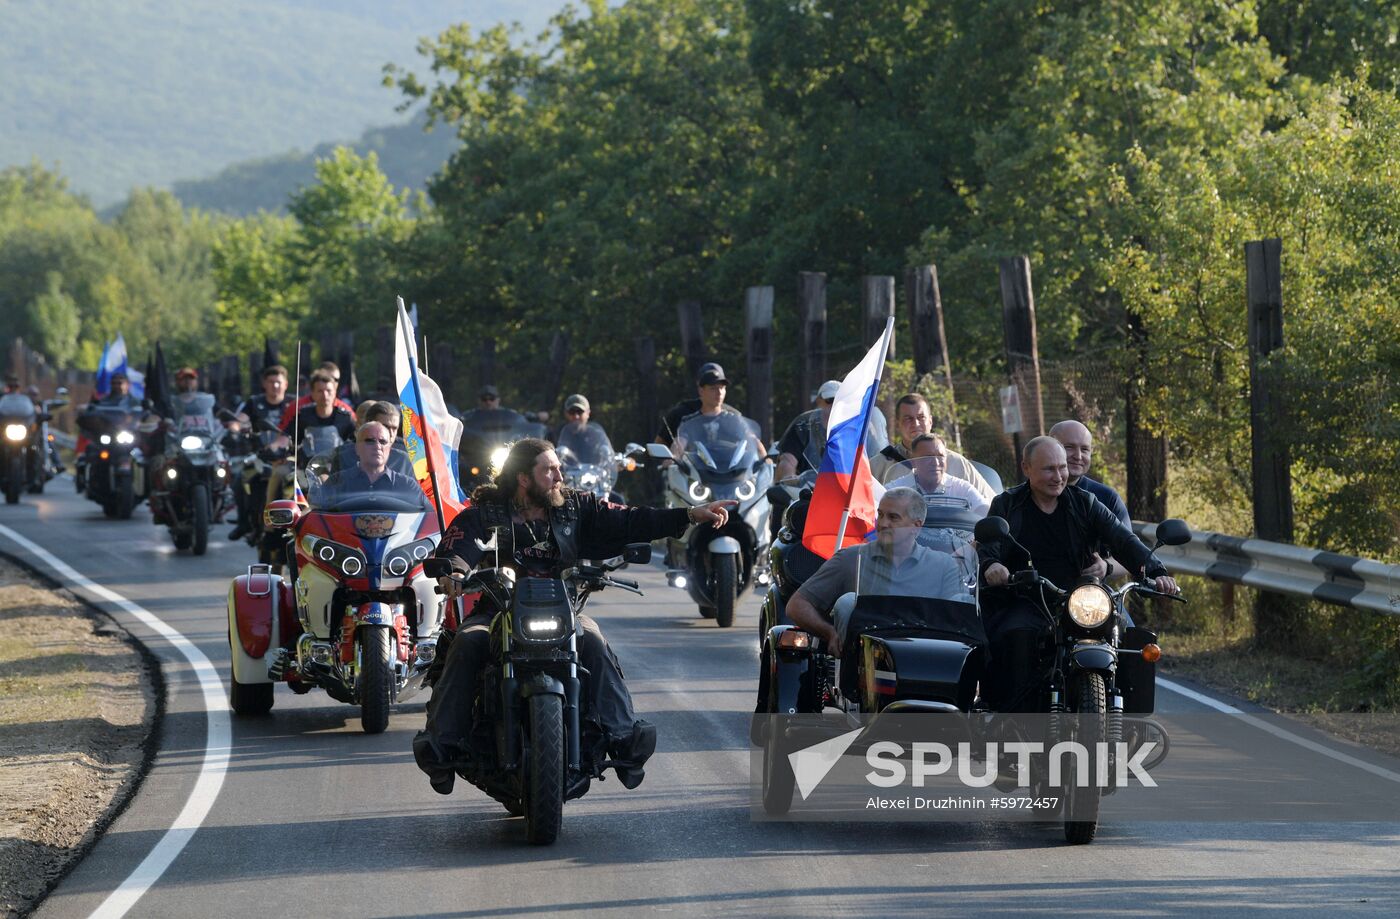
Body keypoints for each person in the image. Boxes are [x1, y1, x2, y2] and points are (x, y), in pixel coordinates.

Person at [414, 437, 736, 793]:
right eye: (549, 469)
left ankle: (625, 739)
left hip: (564, 611)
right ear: (523, 478)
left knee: (594, 642)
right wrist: (454, 572)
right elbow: (458, 546)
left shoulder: (573, 508)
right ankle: (440, 748)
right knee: (466, 643)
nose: (558, 475)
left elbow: (630, 520)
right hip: (497, 611)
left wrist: (690, 514)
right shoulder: (485, 515)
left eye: (558, 467)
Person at [978, 437, 1178, 712]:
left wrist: (1157, 571)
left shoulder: (1085, 502)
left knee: (1129, 638)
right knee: (1015, 635)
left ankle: (1129, 719)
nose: (1058, 476)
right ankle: (1009, 716)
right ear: (1026, 468)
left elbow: (1123, 540)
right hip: (1028, 598)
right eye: (1049, 469)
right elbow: (990, 546)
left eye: (1062, 468)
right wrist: (992, 565)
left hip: (1082, 599)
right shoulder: (1007, 504)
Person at [784, 488, 968, 656]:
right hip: (862, 671)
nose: (882, 523)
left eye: (893, 517)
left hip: (924, 663)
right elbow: (797, 605)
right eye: (880, 515)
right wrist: (829, 632)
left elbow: (956, 626)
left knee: (965, 601)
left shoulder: (944, 566)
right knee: (847, 603)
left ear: (916, 526)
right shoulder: (851, 558)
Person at [871, 393, 995, 499]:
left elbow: (990, 502)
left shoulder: (956, 463)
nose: (916, 423)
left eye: (921, 417)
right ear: (898, 425)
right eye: (908, 419)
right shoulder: (879, 465)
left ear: (930, 421)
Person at [229, 365, 290, 540]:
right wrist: (236, 427)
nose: (275, 386)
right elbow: (239, 420)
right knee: (240, 479)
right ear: (264, 383)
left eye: (278, 382)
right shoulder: (255, 402)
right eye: (271, 382)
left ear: (285, 384)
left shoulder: (293, 404)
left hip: (288, 458)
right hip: (260, 457)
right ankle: (243, 522)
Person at [313, 421, 429, 510]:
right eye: (370, 441)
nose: (377, 446)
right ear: (357, 448)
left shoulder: (407, 486)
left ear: (389, 449)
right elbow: (315, 515)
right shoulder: (337, 482)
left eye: (383, 442)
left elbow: (427, 518)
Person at [886, 433, 991, 516]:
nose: (935, 462)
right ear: (913, 461)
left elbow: (985, 512)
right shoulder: (894, 490)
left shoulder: (962, 489)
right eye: (928, 457)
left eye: (940, 456)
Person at [654, 362, 742, 447]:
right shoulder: (682, 415)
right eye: (712, 387)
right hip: (689, 461)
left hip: (727, 462)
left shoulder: (733, 417)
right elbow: (660, 445)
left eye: (721, 387)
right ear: (700, 388)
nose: (719, 392)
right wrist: (670, 460)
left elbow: (749, 441)